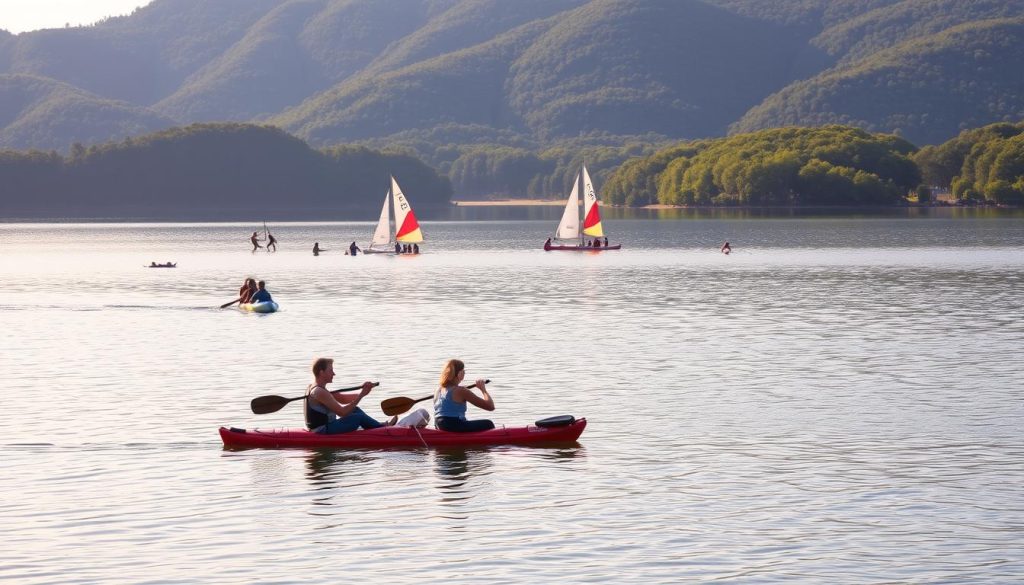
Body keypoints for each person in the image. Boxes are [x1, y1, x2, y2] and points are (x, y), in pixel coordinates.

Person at [305, 358, 394, 434]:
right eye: (331, 370)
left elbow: (342, 399)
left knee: (355, 410)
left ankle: (379, 425)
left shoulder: (316, 387)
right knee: (359, 417)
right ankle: (382, 429)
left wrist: (363, 392)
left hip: (326, 426)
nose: (334, 373)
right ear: (321, 372)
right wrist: (361, 395)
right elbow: (342, 412)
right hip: (323, 430)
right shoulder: (319, 391)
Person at [434, 359, 494, 432]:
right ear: (459, 374)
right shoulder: (461, 391)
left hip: (439, 424)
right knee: (488, 424)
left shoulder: (438, 390)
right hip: (453, 424)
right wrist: (483, 390)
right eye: (463, 370)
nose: (464, 372)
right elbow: (490, 407)